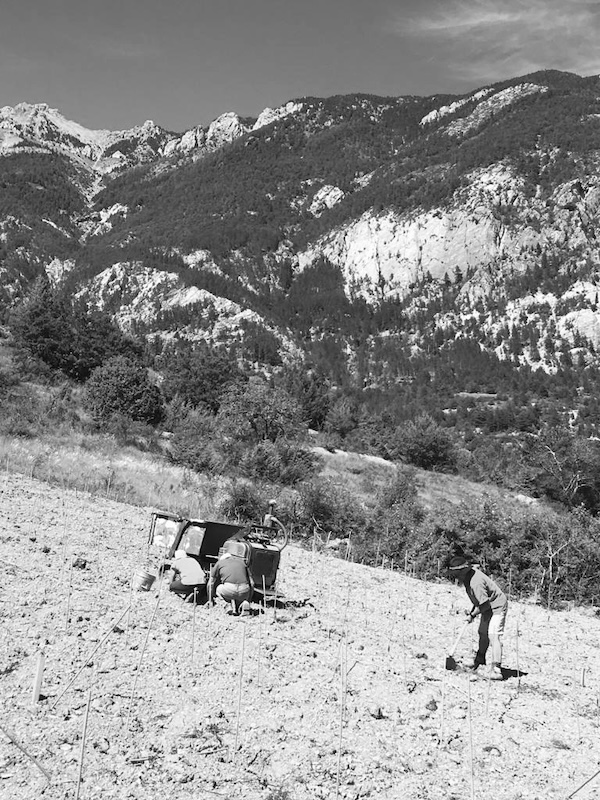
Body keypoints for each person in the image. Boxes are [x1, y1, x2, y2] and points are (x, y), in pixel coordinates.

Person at [448, 555, 508, 680]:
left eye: (457, 573)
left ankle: (496, 669)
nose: (456, 577)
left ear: (462, 572)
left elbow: (484, 604)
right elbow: (478, 601)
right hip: (487, 606)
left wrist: (472, 615)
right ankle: (480, 660)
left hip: (497, 606)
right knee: (482, 632)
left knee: (493, 635)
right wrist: (472, 613)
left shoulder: (476, 582)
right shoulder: (467, 579)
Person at [208, 542, 253, 616]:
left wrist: (210, 599)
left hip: (229, 589)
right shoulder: (242, 562)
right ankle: (243, 604)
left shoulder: (220, 563)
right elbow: (252, 583)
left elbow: (211, 583)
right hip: (244, 589)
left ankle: (227, 605)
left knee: (219, 589)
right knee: (239, 596)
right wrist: (248, 599)